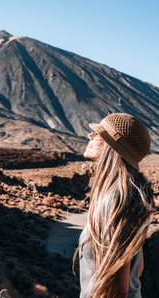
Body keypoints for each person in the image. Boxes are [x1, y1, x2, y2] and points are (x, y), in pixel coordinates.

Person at [73, 113, 154, 298]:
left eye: (98, 134)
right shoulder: (128, 197)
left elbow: (117, 290)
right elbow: (137, 269)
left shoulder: (114, 201)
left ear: (112, 146)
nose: (90, 136)